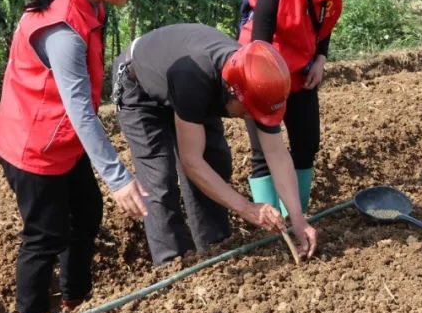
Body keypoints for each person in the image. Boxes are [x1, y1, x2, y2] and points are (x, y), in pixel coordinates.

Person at [0, 0, 167, 313]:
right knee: (45, 234)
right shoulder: (63, 32)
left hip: (63, 139)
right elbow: (81, 111)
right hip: (33, 145)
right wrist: (118, 177)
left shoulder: (91, 4)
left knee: (86, 216)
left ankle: (76, 302)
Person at [113, 29, 317, 266]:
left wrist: (298, 219)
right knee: (159, 180)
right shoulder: (195, 77)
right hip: (140, 86)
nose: (251, 119)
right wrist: (247, 208)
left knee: (214, 162)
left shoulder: (258, 82)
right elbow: (192, 162)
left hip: (194, 89)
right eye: (248, 112)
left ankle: (216, 252)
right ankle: (172, 267)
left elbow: (276, 153)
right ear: (235, 94)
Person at [237, 0, 348, 217]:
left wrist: (321, 58)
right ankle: (270, 221)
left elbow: (326, 21)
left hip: (301, 68)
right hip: (261, 73)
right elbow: (257, 52)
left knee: (308, 142)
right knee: (264, 151)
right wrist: (268, 91)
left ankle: (295, 213)